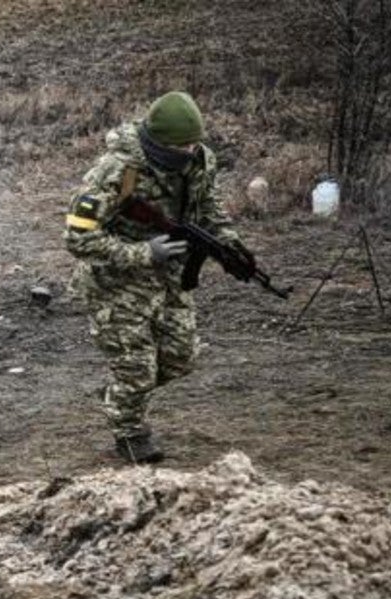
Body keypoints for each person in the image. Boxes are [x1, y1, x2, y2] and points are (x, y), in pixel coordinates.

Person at [63, 91, 252, 464]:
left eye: (196, 143)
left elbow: (208, 204)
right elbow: (77, 237)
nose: (192, 151)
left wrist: (227, 242)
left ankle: (121, 393)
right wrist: (143, 254)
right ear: (160, 144)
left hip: (168, 276)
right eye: (183, 145)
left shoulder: (199, 161)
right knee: (138, 367)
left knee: (181, 356)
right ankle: (130, 432)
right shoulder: (116, 171)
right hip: (114, 281)